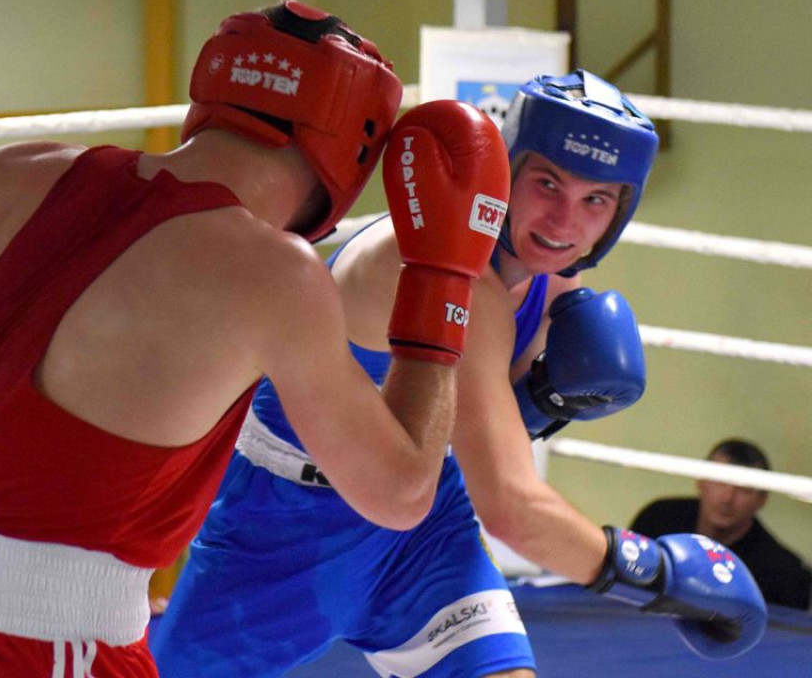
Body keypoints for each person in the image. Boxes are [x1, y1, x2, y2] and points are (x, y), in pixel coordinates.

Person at [0, 0, 512, 676]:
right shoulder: (274, 274)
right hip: (56, 647)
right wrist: (441, 281)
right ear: (351, 151)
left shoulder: (29, 174)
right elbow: (401, 494)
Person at [150, 70, 769, 678]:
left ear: (619, 213)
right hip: (288, 522)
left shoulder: (550, 270)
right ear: (507, 168)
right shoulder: (454, 272)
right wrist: (657, 576)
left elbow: (480, 420)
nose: (563, 221)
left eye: (594, 200)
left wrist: (544, 397)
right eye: (547, 183)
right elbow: (511, 506)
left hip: (423, 527)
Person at [632, 438, 812, 611]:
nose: (727, 498)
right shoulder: (657, 519)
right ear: (700, 480)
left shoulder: (783, 573)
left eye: (745, 488)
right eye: (719, 481)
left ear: (762, 499)